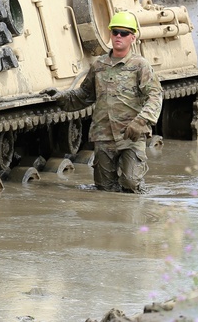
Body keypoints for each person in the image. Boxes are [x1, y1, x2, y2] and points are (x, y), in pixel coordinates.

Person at [50, 12, 162, 193]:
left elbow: (155, 95)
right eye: (115, 32)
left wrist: (141, 122)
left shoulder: (140, 65)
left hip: (130, 134)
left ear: (132, 37)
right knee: (104, 189)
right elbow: (85, 95)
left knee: (131, 183)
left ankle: (133, 216)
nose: (119, 36)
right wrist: (61, 97)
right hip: (103, 135)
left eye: (124, 33)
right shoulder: (99, 65)